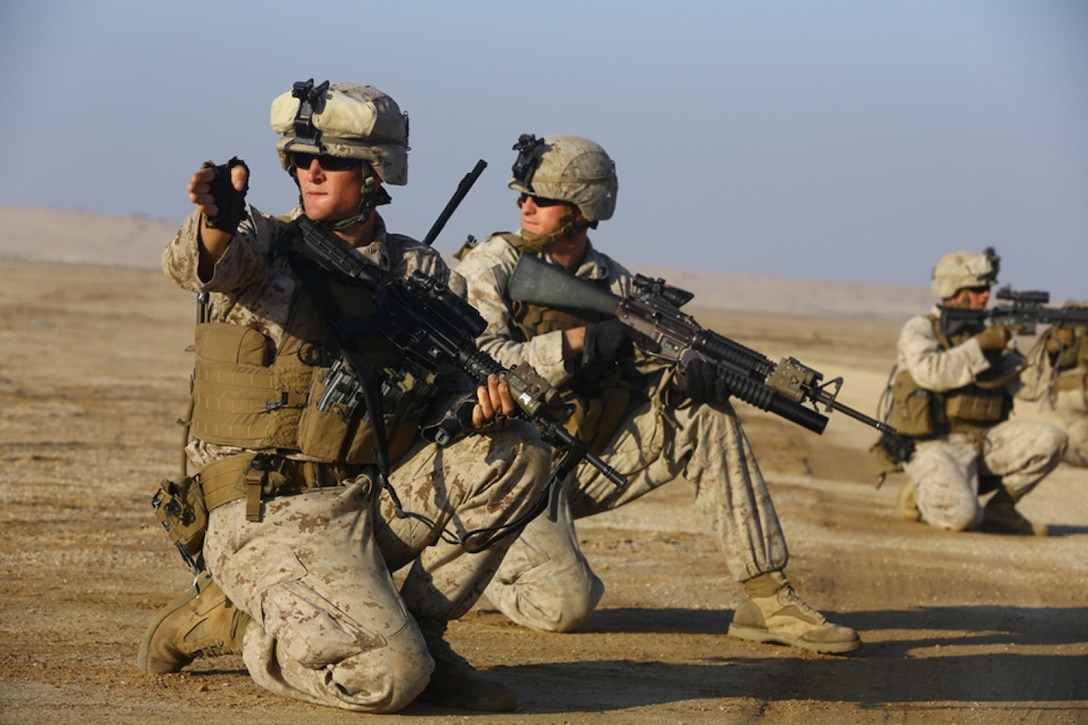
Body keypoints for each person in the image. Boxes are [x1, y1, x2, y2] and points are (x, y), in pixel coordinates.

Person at [136, 80, 552, 714]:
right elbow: (197, 264)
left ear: (376, 172)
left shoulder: (420, 273)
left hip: (365, 499)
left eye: (330, 159)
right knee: (385, 680)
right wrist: (218, 217)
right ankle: (230, 623)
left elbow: (441, 398)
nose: (311, 170)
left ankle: (426, 639)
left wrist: (474, 411)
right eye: (301, 158)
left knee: (517, 452)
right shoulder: (264, 248)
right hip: (263, 514)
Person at [453, 133, 861, 655]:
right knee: (564, 607)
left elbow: (649, 365)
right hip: (502, 472)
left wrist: (683, 376)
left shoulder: (617, 286)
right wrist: (579, 343)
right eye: (521, 196)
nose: (524, 206)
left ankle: (767, 596)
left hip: (574, 461)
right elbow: (479, 364)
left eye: (539, 198)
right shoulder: (493, 266)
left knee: (703, 413)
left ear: (582, 211)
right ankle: (466, 560)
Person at [877, 248, 1067, 534]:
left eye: (986, 289)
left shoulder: (989, 334)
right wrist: (981, 346)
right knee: (963, 519)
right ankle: (920, 493)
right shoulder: (921, 329)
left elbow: (1029, 389)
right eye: (977, 289)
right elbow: (932, 373)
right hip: (934, 444)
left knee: (1053, 440)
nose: (985, 296)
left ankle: (1002, 510)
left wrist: (1053, 354)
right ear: (953, 289)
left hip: (982, 441)